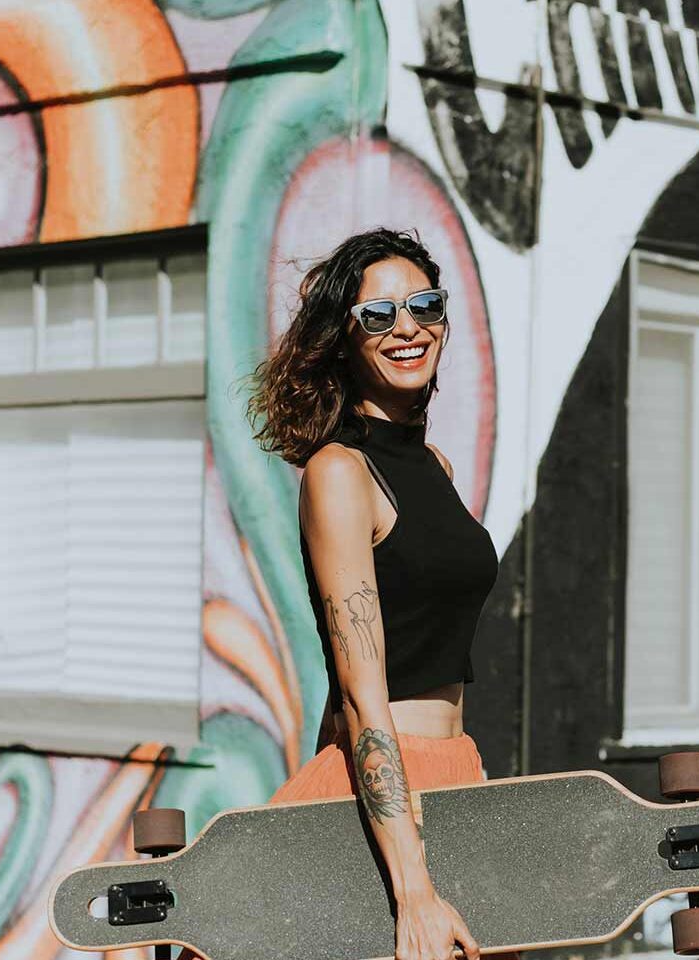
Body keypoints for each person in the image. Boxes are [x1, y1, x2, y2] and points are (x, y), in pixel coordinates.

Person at [248, 227, 498, 960]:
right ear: (344, 339)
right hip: (389, 799)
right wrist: (412, 890)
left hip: (453, 775)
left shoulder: (435, 467)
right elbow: (361, 697)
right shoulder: (339, 472)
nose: (407, 328)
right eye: (378, 315)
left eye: (424, 306)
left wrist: (468, 779)